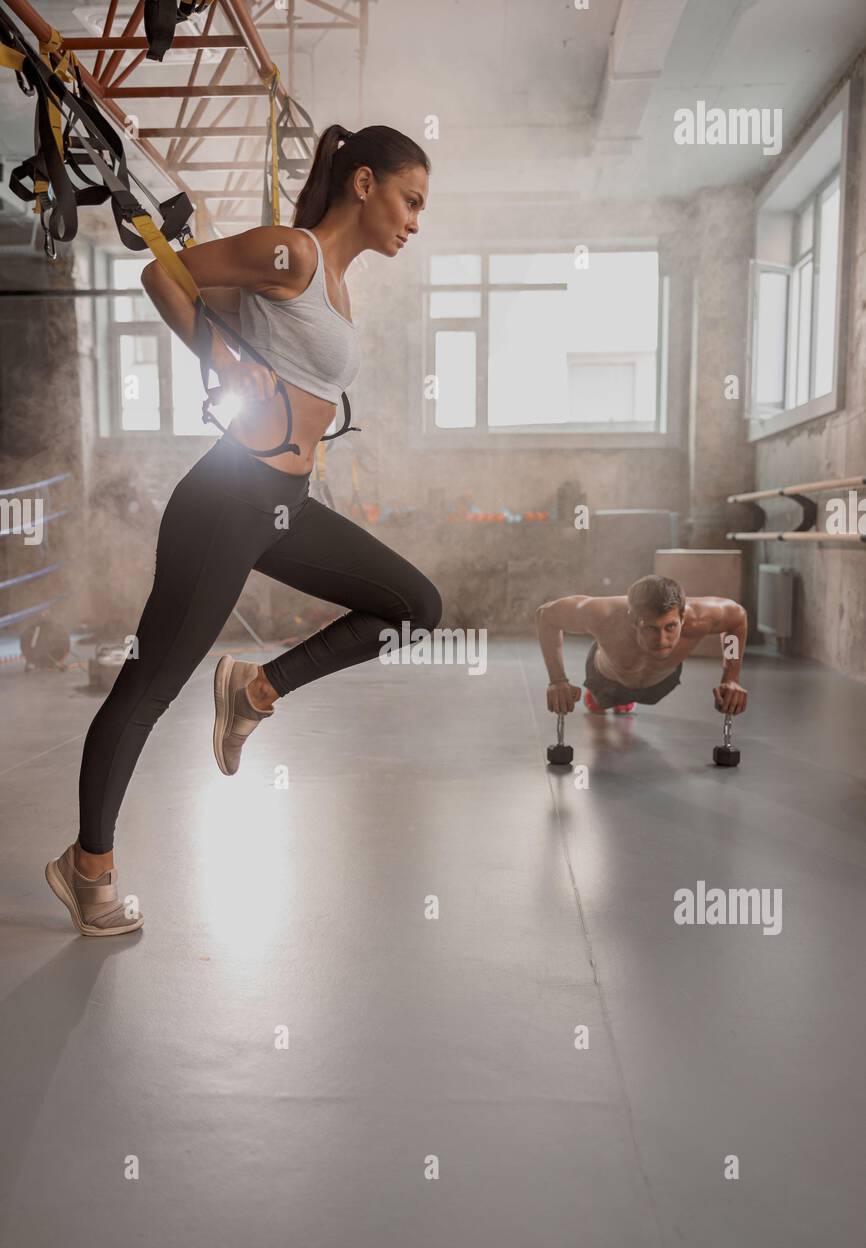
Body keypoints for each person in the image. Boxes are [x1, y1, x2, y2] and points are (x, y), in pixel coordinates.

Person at [46, 124, 441, 936]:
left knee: (415, 607)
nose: (414, 220)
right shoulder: (290, 252)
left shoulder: (331, 281)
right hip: (229, 496)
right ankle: (88, 870)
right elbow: (166, 273)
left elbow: (234, 314)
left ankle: (255, 689)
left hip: (285, 507)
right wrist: (217, 361)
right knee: (147, 689)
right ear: (363, 184)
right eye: (410, 200)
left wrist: (231, 340)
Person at [536, 574, 748, 718]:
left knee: (641, 697)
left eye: (671, 627)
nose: (662, 640)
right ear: (632, 618)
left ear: (683, 617)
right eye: (651, 628)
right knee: (601, 702)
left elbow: (737, 618)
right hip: (606, 678)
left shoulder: (701, 617)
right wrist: (557, 680)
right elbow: (546, 616)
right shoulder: (605, 615)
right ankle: (601, 697)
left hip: (661, 683)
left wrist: (731, 678)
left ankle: (625, 699)